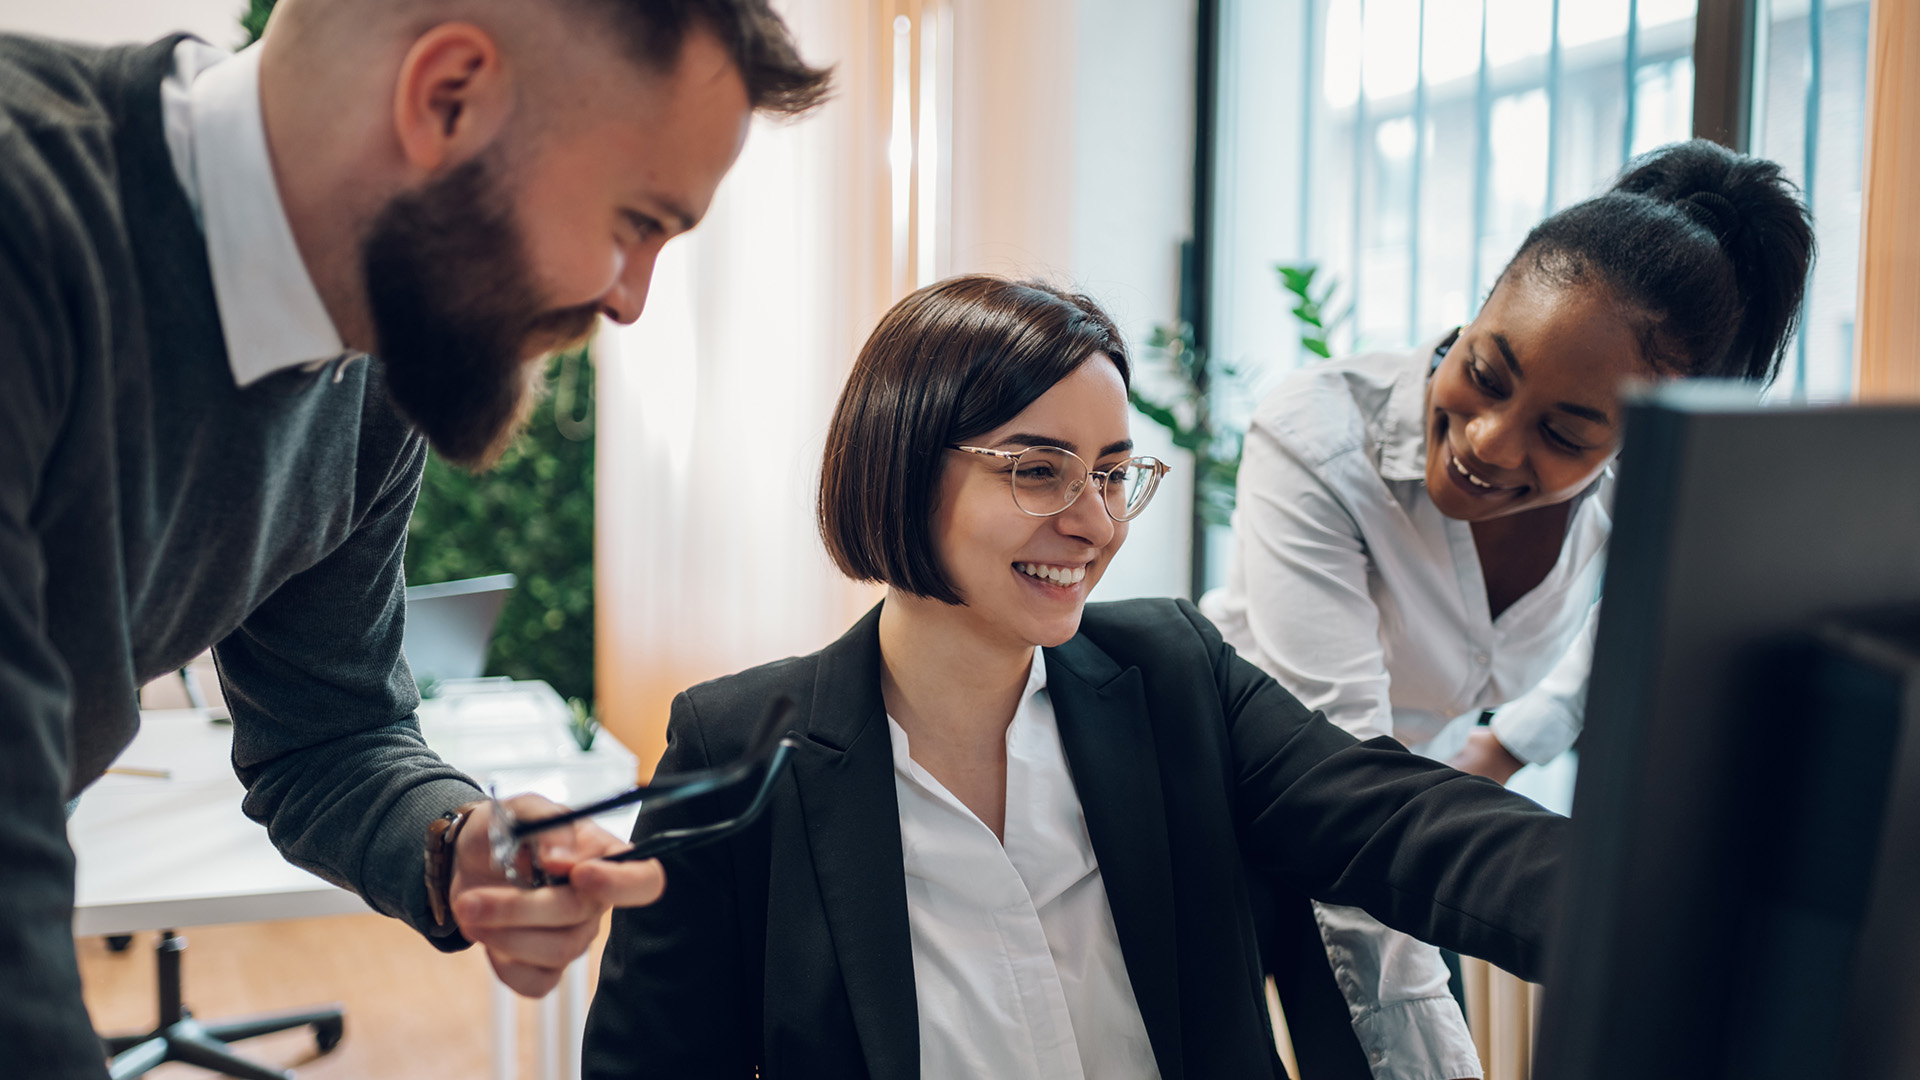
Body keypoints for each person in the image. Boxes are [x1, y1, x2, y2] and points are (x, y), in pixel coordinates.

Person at [0, 0, 831, 1074]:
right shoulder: (26, 224)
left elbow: (327, 736)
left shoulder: (371, 368)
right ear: (447, 98)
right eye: (636, 223)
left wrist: (460, 847)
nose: (630, 303)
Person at [582, 275, 1569, 1079]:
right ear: (903, 464)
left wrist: (1647, 912)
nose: (1096, 524)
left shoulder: (1177, 676)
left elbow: (1396, 819)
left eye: (1111, 472)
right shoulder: (742, 748)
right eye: (1040, 470)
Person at [1200, 139, 1815, 1079]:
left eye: (1564, 433)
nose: (1488, 440)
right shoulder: (1319, 440)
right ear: (1476, 309)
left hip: (1408, 814)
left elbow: (1630, 636)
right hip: (1257, 802)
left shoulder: (1633, 498)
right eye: (1485, 373)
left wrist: (1509, 741)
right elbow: (1346, 793)